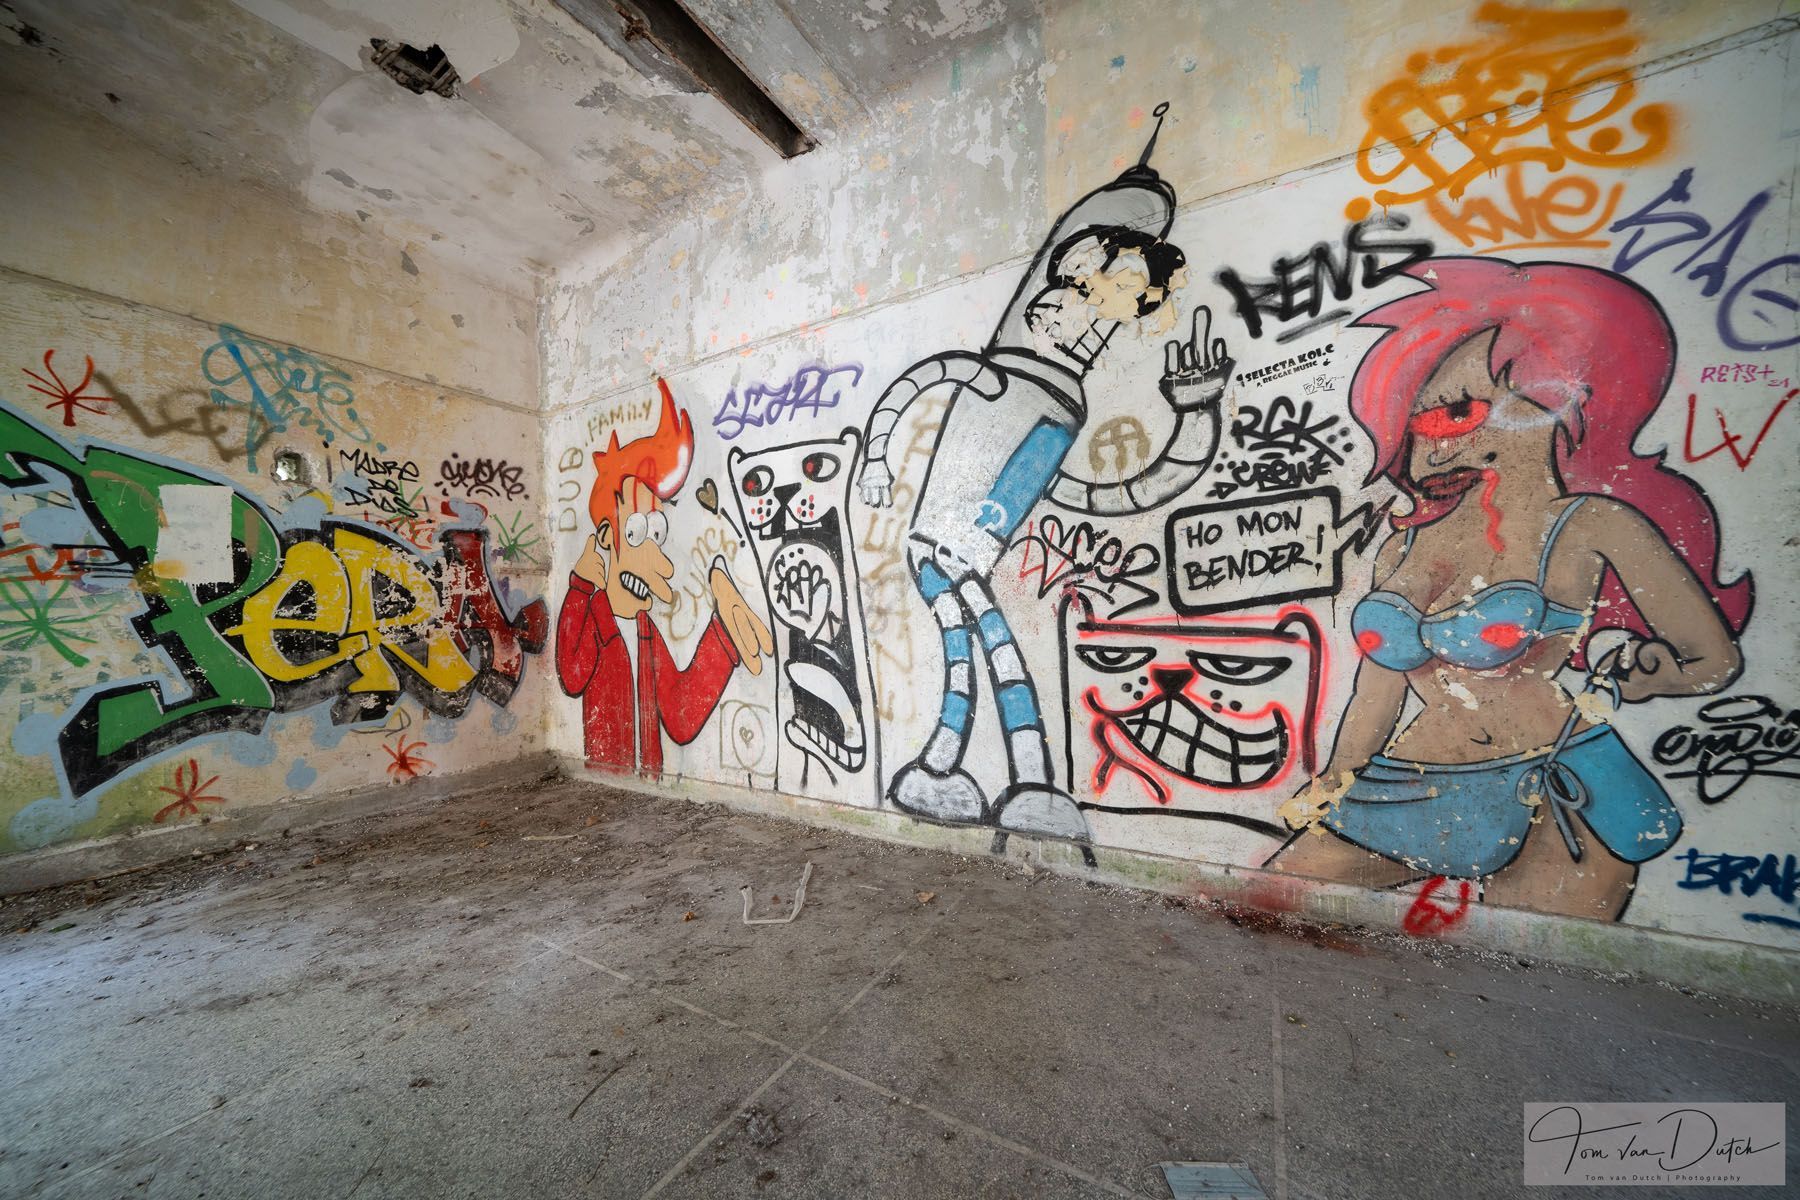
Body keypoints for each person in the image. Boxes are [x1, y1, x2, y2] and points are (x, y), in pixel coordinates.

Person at [1266, 258, 1751, 921]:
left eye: (1457, 412)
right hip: (1410, 780)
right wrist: (1337, 777)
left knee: (1542, 971)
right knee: (1271, 899)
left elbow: (1712, 661)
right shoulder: (1403, 544)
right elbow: (1377, 693)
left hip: (1560, 784)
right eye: (1417, 423)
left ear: (1555, 401)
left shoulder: (1588, 524)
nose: (1432, 445)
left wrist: (1646, 675)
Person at [556, 380, 772, 777]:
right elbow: (571, 676)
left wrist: (723, 633)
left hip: (648, 783)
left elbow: (680, 714)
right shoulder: (597, 622)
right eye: (636, 534)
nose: (661, 564)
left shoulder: (646, 632)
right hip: (608, 783)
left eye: (657, 534)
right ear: (606, 537)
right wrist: (580, 589)